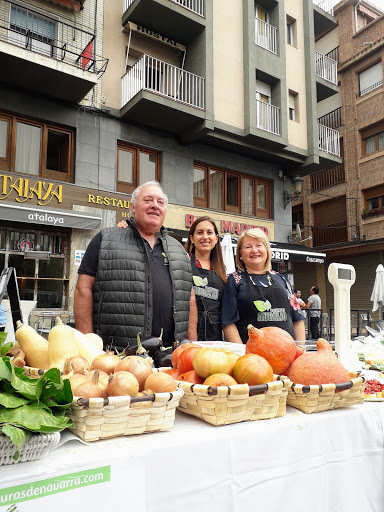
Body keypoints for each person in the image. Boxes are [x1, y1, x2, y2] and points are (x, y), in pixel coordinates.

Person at [74, 181, 197, 352]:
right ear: (133, 207)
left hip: (172, 356)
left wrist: (192, 344)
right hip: (118, 356)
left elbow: (189, 297)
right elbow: (83, 289)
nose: (155, 205)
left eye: (160, 202)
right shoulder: (105, 239)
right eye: (147, 200)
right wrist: (87, 346)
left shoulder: (179, 250)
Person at [221, 228, 306, 344]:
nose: (254, 250)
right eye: (248, 247)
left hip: (287, 352)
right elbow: (228, 323)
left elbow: (298, 319)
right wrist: (242, 354)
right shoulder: (234, 280)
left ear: (267, 250)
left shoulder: (282, 279)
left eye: (259, 245)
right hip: (252, 356)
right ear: (240, 253)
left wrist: (301, 348)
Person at [184, 216, 227, 341]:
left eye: (209, 232)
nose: (205, 237)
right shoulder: (183, 262)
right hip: (186, 334)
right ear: (192, 238)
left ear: (216, 238)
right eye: (199, 232)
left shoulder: (222, 269)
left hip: (214, 337)